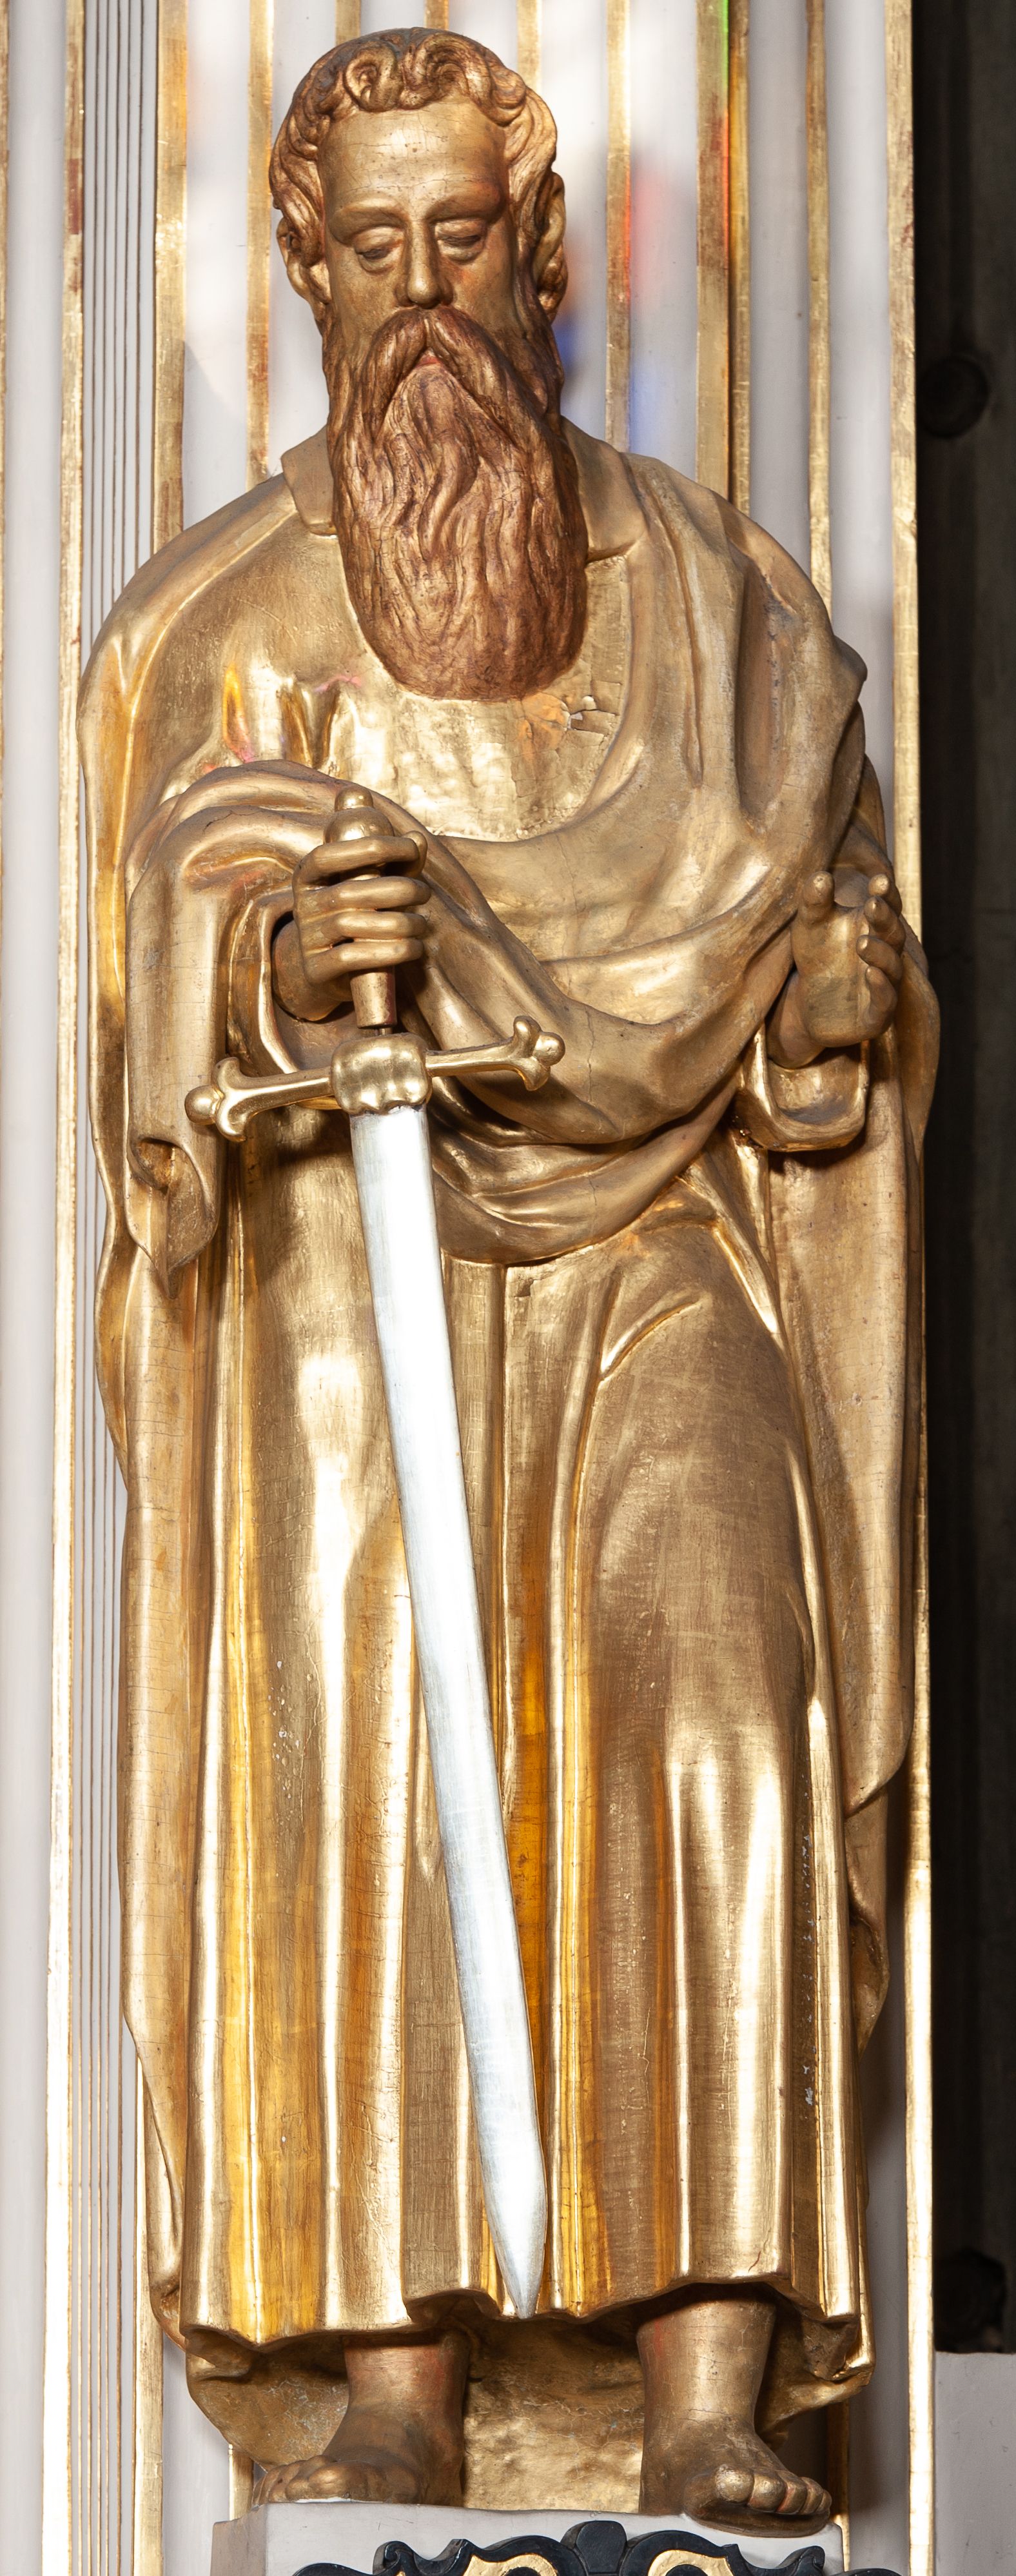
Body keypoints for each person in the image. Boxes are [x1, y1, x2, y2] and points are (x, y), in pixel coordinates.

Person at [81, 27, 937, 2535]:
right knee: (357, 1678)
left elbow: (831, 951)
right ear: (303, 273)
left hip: (665, 1233)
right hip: (350, 1254)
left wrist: (829, 1018)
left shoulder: (731, 608)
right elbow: (153, 1034)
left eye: (465, 237)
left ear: (545, 253)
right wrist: (272, 967)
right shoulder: (218, 624)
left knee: (712, 1672)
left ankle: (705, 2366)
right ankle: (393, 2358)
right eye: (371, 250)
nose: (422, 296)